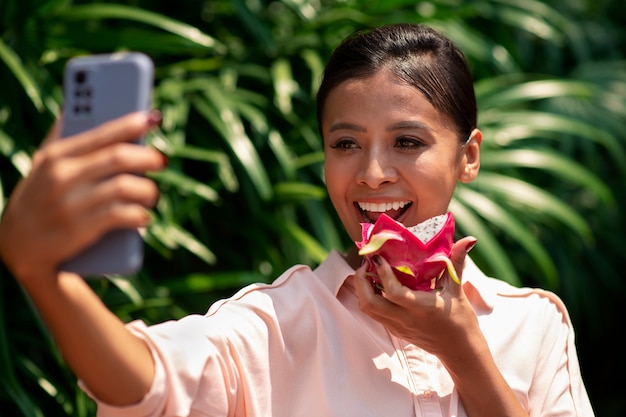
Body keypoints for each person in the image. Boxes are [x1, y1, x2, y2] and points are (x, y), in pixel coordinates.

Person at [0, 23, 594, 417]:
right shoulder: (277, 322)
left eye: (408, 141)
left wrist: (463, 349)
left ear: (468, 156)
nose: (373, 173)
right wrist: (47, 278)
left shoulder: (533, 324)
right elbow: (148, 381)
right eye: (345, 144)